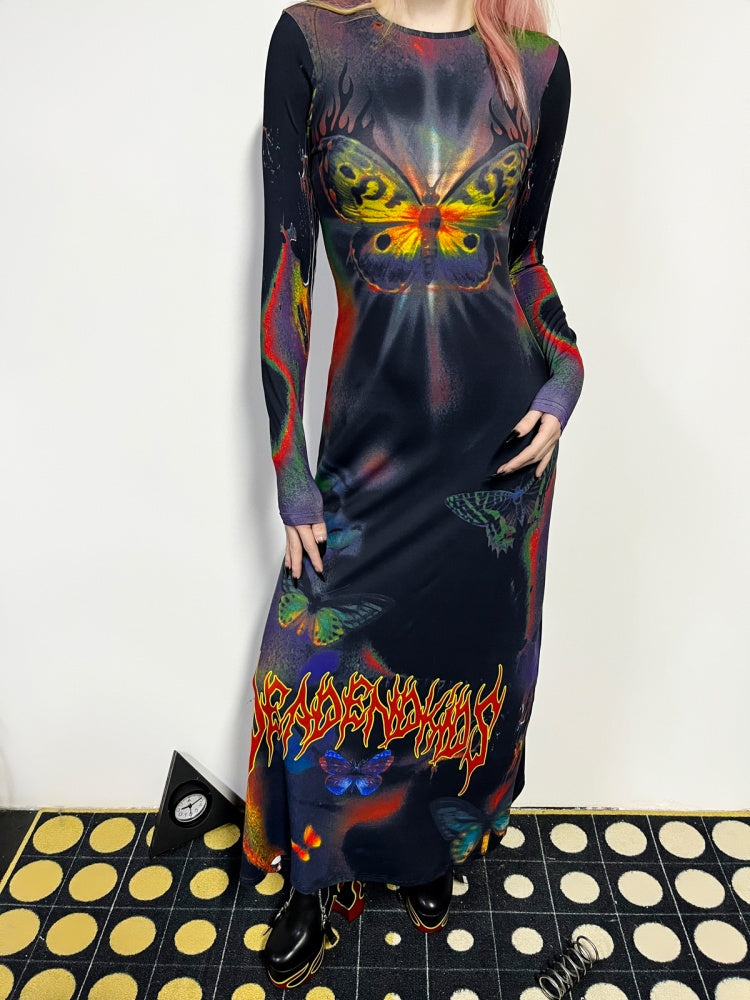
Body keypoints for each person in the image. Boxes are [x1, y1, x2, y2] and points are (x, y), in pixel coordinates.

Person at [242, 0, 584, 988]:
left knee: (461, 659)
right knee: (316, 662)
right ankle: (314, 877)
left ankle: (430, 848)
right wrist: (290, 469)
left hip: (499, 451)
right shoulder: (314, 44)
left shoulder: (537, 68)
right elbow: (286, 272)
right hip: (371, 447)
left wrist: (567, 373)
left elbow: (523, 256)